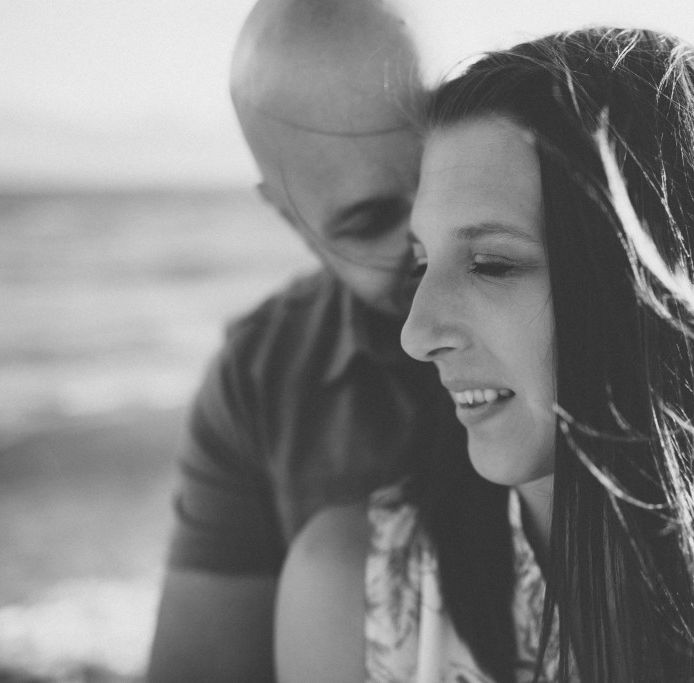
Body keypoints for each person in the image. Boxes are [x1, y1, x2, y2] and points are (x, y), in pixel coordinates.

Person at [276, 28, 694, 682]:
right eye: (422, 262)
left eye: (490, 263)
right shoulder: (353, 597)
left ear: (657, 287)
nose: (417, 333)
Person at [145, 0, 453, 680]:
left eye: (446, 179)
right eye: (372, 220)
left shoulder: (614, 301)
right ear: (290, 218)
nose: (432, 242)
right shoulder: (261, 378)